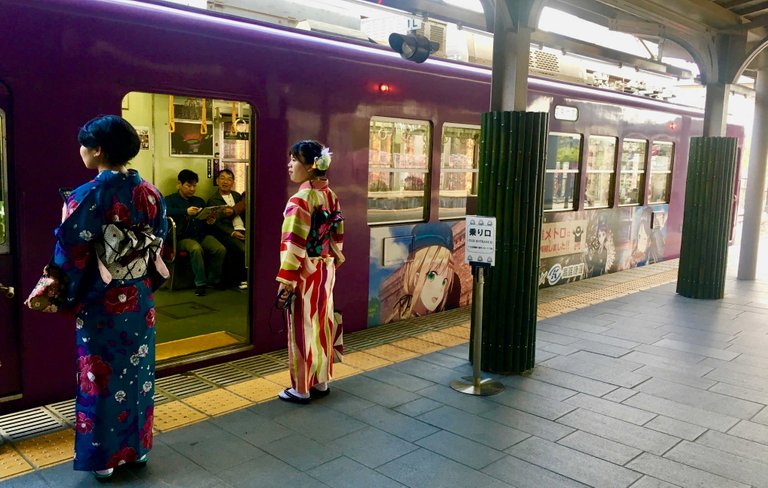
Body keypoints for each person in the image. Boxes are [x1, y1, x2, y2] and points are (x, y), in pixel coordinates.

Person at [25, 115, 167, 479]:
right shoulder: (150, 193)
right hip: (139, 296)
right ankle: (137, 449)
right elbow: (158, 239)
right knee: (138, 373)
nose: (81, 150)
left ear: (98, 150)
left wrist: (60, 289)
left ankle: (104, 456)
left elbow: (70, 252)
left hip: (102, 301)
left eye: (84, 144)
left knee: (100, 375)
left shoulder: (88, 194)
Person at [275, 140, 344, 404]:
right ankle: (322, 381)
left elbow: (293, 244)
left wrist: (287, 280)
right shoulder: (331, 196)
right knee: (322, 324)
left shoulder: (300, 199)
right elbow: (338, 235)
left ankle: (301, 388)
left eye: (294, 160)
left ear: (309, 167)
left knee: (302, 328)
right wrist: (331, 261)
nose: (289, 165)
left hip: (304, 272)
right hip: (325, 269)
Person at [165, 170, 226, 296]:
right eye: (189, 185)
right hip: (182, 238)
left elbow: (205, 220)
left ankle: (213, 280)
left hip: (201, 235)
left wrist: (210, 220)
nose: (192, 189)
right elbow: (165, 212)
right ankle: (200, 283)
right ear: (179, 184)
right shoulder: (170, 200)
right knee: (196, 249)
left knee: (220, 249)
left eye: (194, 186)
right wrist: (185, 211)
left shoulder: (199, 201)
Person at [385, 223, 456, 323]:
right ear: (416, 278)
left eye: (444, 282)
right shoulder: (397, 320)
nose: (440, 289)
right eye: (432, 276)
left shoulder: (437, 317)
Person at [207, 168, 247, 289]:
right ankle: (243, 279)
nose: (226, 182)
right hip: (226, 233)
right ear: (217, 181)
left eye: (229, 179)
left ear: (233, 182)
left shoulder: (237, 196)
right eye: (222, 178)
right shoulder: (213, 200)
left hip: (242, 229)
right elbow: (216, 223)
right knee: (243, 249)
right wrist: (232, 232)